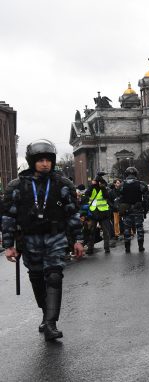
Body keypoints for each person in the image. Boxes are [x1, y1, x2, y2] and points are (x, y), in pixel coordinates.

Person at [1, 139, 84, 341]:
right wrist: (8, 246)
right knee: (37, 278)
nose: (45, 163)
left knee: (54, 276)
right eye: (40, 160)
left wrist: (78, 239)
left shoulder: (63, 184)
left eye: (48, 160)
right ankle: (45, 313)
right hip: (29, 240)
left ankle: (51, 323)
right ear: (32, 161)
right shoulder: (17, 186)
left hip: (55, 237)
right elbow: (8, 218)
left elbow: (73, 214)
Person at [119, 167, 149, 253]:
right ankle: (140, 246)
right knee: (139, 228)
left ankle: (127, 247)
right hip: (138, 209)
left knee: (127, 228)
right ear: (136, 174)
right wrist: (145, 210)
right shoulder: (141, 184)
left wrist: (121, 210)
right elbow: (146, 199)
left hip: (127, 210)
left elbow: (120, 199)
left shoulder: (122, 185)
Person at [84, 176, 114, 254]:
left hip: (103, 212)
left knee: (106, 232)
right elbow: (87, 194)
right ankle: (90, 248)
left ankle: (107, 248)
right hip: (93, 212)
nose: (96, 183)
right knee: (91, 231)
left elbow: (107, 196)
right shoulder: (92, 188)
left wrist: (103, 187)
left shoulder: (104, 189)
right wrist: (92, 186)